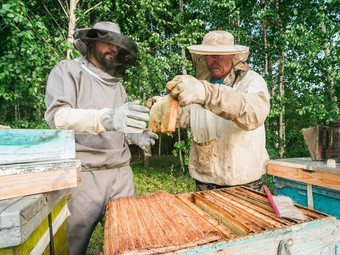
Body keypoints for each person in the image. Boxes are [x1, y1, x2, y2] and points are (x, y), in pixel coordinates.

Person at [44, 22, 158, 255]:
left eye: (117, 44)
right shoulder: (67, 71)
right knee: (72, 245)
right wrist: (105, 118)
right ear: (91, 42)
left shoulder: (117, 85)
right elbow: (58, 117)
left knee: (127, 242)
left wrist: (137, 135)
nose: (114, 48)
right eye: (108, 41)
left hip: (121, 174)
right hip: (84, 176)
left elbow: (118, 126)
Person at [149, 30, 270, 192]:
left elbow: (254, 114)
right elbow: (186, 117)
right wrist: (161, 107)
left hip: (243, 180)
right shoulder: (199, 86)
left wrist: (207, 93)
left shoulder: (251, 81)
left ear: (232, 56)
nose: (211, 61)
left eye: (216, 55)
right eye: (207, 56)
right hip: (205, 178)